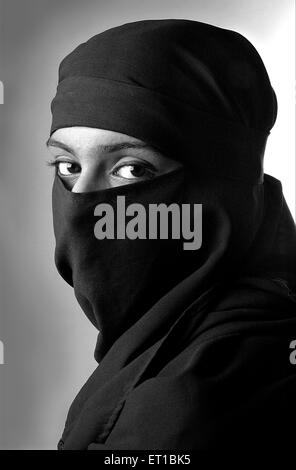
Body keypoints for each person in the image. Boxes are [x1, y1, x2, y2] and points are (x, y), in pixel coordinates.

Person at [47, 19, 296, 450]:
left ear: (216, 187)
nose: (83, 198)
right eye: (68, 166)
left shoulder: (191, 395)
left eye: (131, 169)